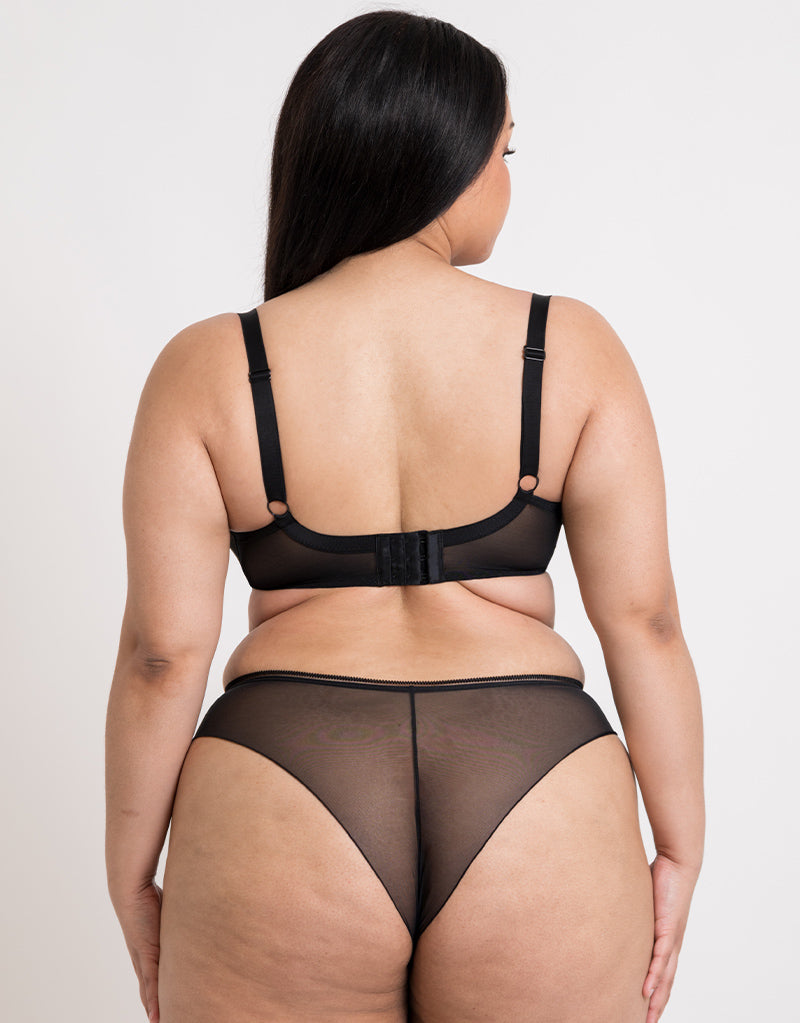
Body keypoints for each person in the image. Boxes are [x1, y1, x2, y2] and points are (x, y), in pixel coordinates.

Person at [105, 10, 704, 1023]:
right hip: (536, 782)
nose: (506, 177)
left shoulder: (207, 365)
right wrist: (679, 846)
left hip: (281, 780)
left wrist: (131, 873)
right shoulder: (570, 347)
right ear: (447, 157)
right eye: (504, 150)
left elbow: (162, 656)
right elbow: (644, 622)